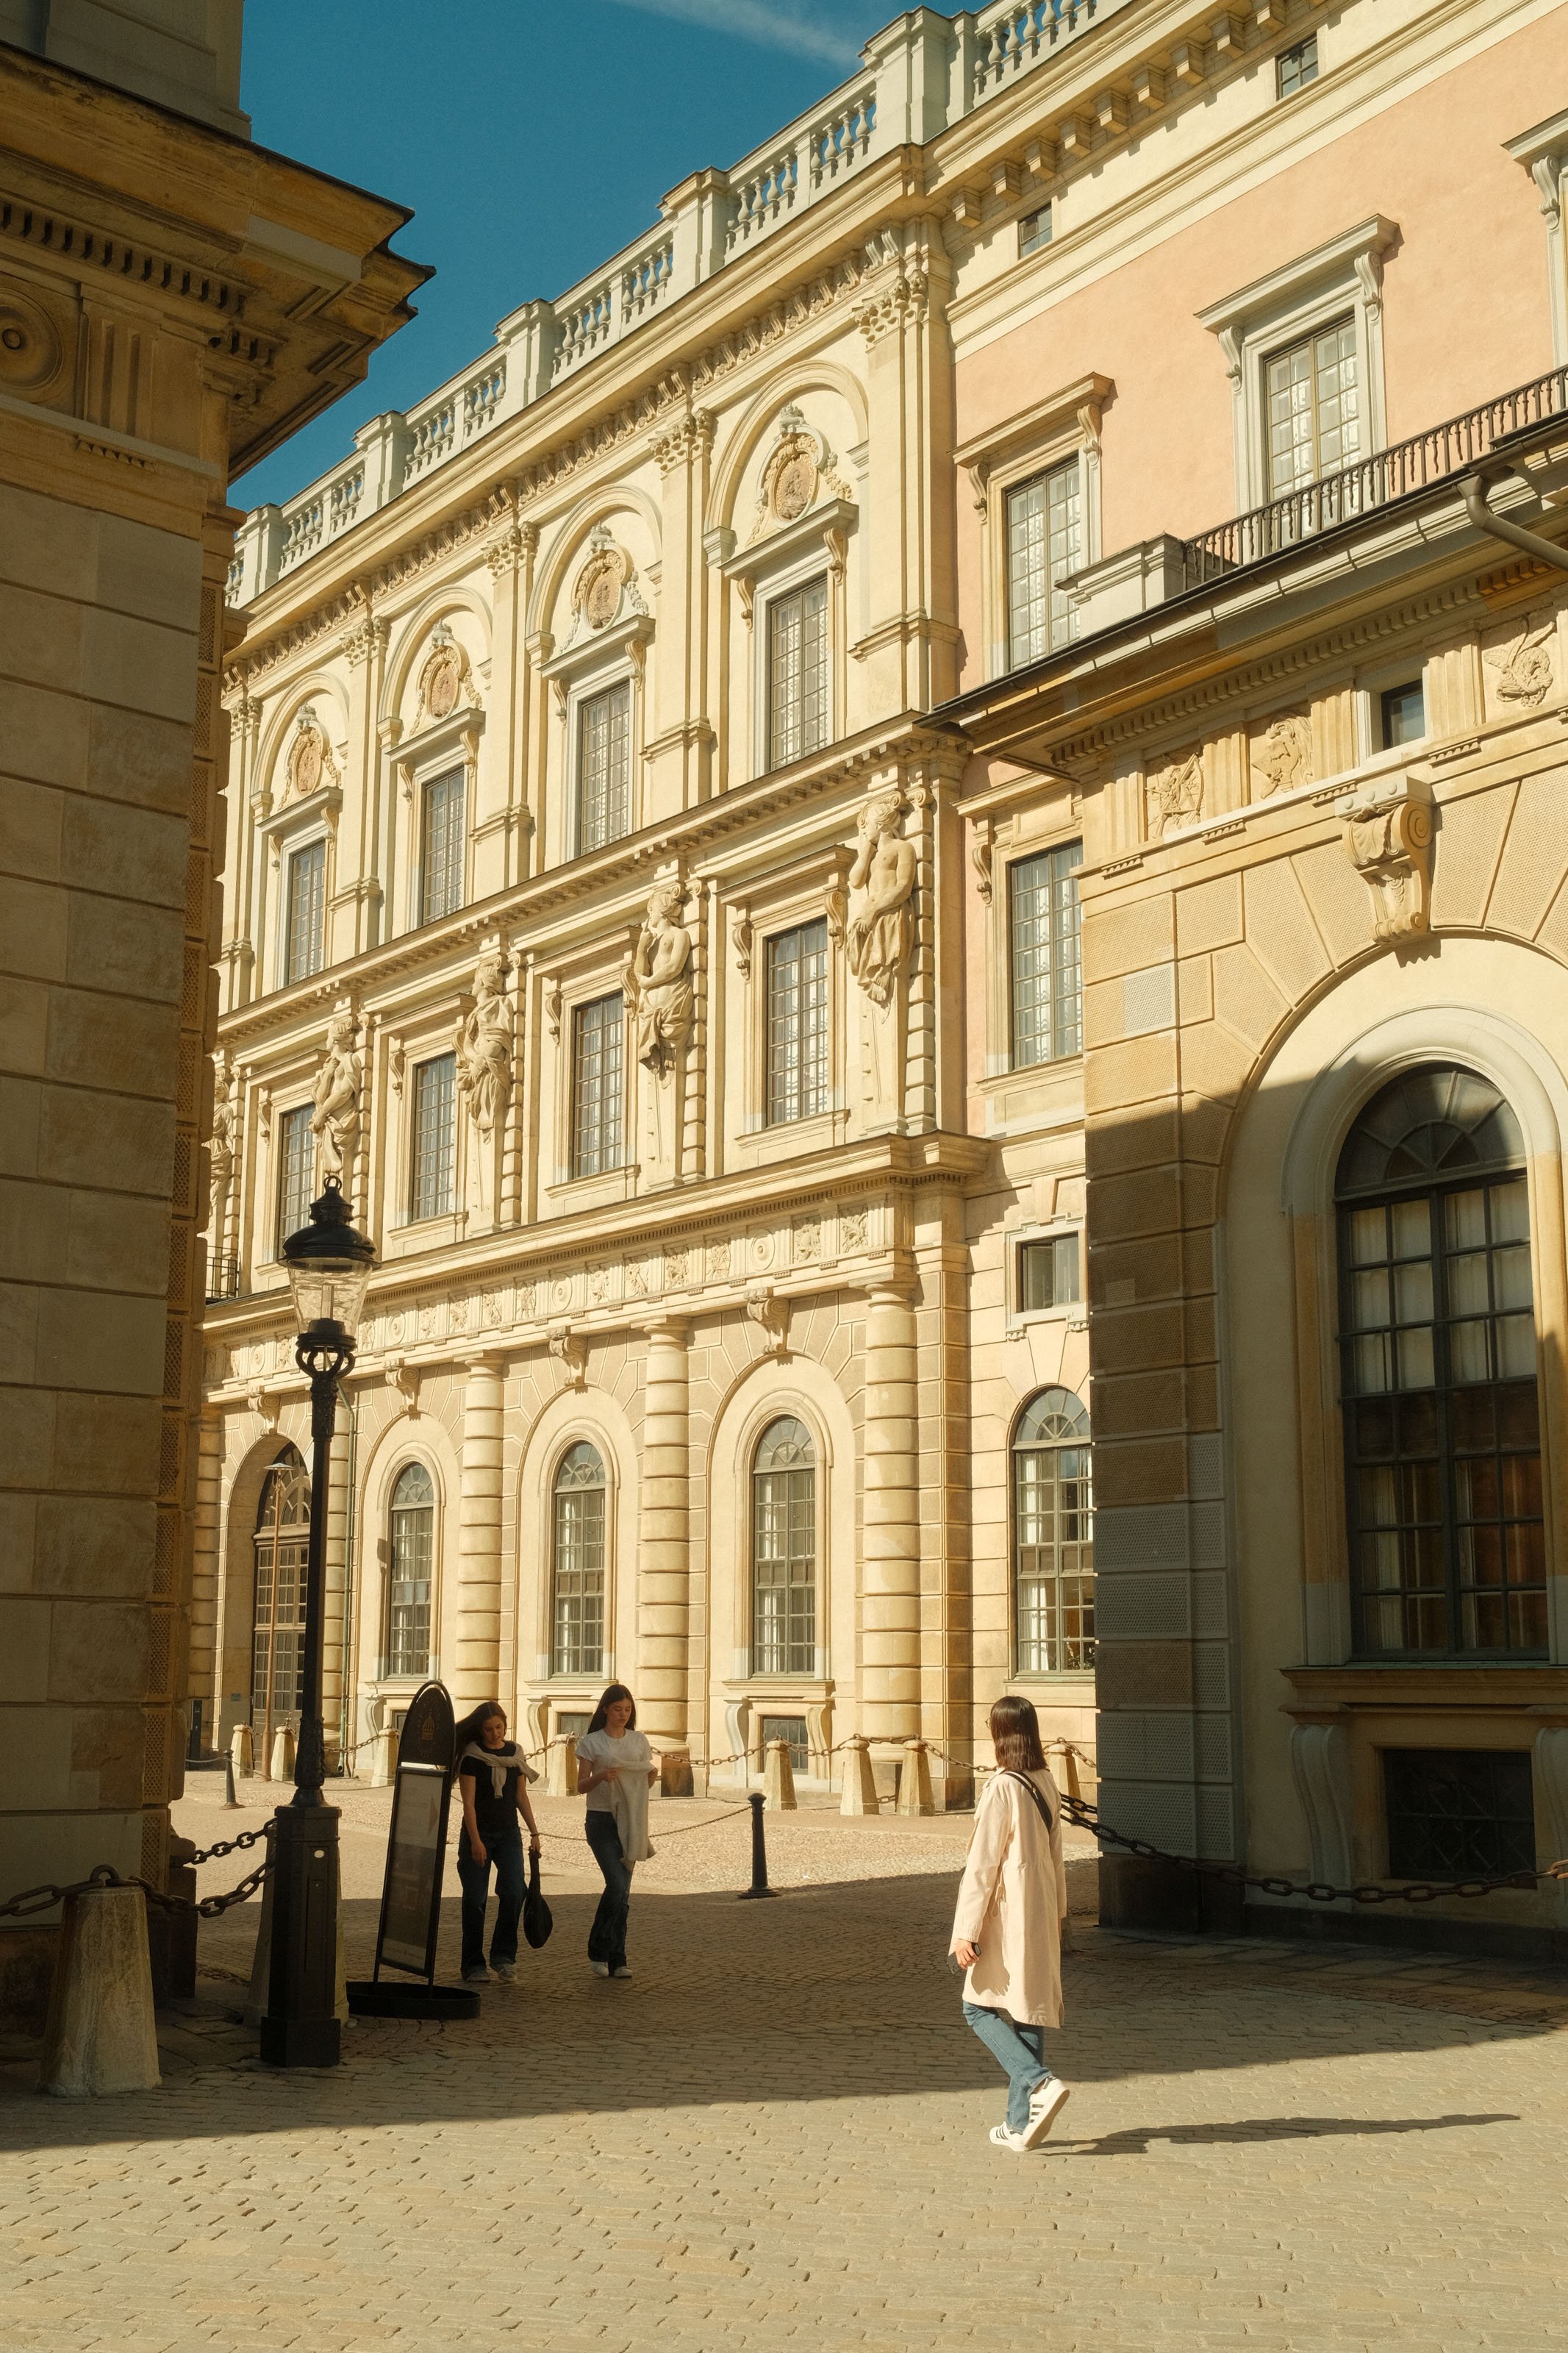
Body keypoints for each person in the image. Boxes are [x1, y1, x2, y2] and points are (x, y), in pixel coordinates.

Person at [950, 1693, 1071, 2152]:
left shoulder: (1002, 1786)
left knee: (975, 2007)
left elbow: (981, 1864)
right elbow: (1059, 1856)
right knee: (1027, 2010)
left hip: (1006, 1911)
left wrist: (965, 1931)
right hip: (1039, 1908)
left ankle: (1038, 2081)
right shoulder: (1045, 1779)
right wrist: (1059, 1914)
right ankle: (1020, 2125)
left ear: (1000, 1733)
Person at [454, 1701, 541, 1985]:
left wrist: (535, 1832)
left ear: (505, 1725)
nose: (495, 1733)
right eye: (489, 1729)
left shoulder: (515, 1754)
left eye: (499, 1727)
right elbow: (468, 1804)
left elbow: (520, 1797)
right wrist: (476, 1841)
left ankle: (503, 1958)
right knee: (476, 1899)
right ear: (480, 1730)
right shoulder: (473, 1757)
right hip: (478, 1834)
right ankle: (473, 1964)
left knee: (515, 1891)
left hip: (509, 1834)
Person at [575, 1684, 658, 1979]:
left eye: (628, 1710)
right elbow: (579, 1786)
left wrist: (649, 1778)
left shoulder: (639, 1741)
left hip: (631, 1819)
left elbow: (641, 1788)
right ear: (606, 1710)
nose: (623, 1715)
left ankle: (617, 1957)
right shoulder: (591, 1743)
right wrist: (601, 1776)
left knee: (623, 1893)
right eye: (618, 1709)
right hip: (600, 1820)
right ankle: (598, 1950)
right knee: (616, 1882)